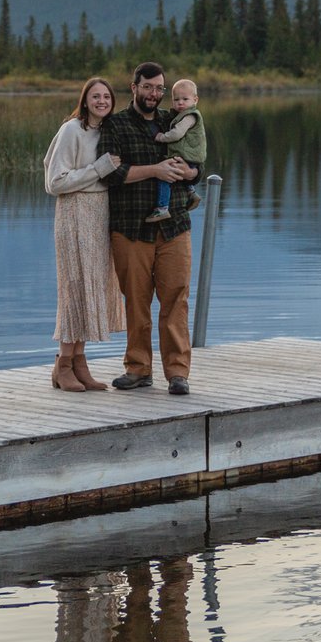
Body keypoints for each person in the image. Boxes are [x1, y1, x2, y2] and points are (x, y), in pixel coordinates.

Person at [98, 62, 199, 395]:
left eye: (159, 88)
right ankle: (138, 369)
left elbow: (197, 161)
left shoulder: (175, 120)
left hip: (175, 227)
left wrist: (192, 173)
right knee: (136, 302)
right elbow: (111, 173)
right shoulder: (115, 125)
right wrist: (155, 170)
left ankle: (178, 373)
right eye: (147, 87)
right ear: (134, 87)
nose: (154, 94)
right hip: (131, 228)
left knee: (176, 300)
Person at [42, 76, 126, 392]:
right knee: (74, 287)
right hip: (74, 214)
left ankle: (79, 364)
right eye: (96, 96)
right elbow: (55, 182)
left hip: (99, 216)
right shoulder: (71, 130)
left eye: (106, 96)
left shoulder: (107, 132)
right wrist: (98, 169)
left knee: (91, 286)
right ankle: (63, 365)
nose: (102, 101)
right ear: (85, 100)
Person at [144, 78, 205, 223]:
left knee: (165, 177)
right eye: (176, 100)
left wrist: (162, 137)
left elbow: (177, 133)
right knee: (180, 170)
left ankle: (162, 208)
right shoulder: (180, 115)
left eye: (185, 99)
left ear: (195, 100)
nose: (180, 103)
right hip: (190, 157)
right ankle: (191, 192)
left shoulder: (190, 116)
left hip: (187, 155)